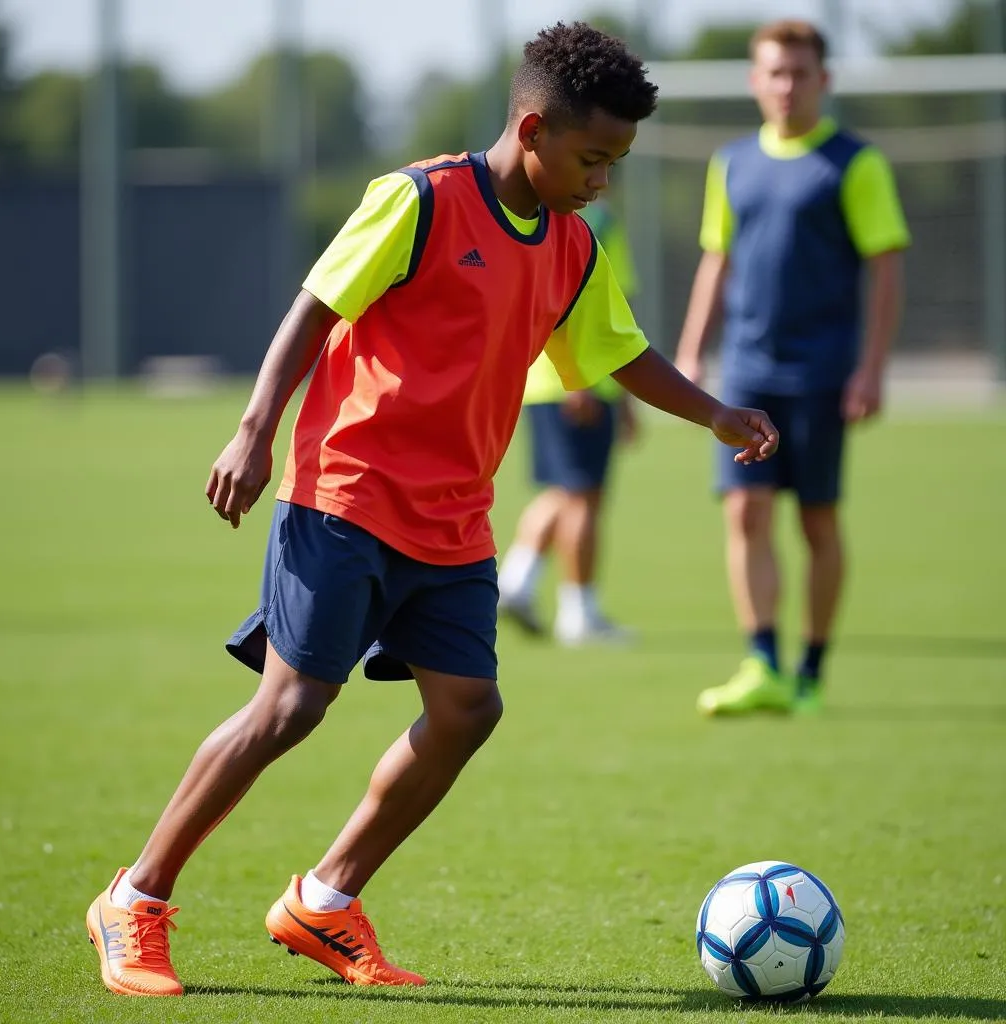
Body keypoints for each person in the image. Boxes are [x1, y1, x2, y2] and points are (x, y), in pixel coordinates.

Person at [85, 21, 779, 998]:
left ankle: (324, 902)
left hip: (454, 520)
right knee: (290, 707)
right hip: (346, 494)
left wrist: (711, 411)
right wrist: (253, 430)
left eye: (617, 162)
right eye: (592, 158)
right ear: (531, 129)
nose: (602, 180)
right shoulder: (417, 200)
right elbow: (315, 307)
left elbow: (618, 352)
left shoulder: (572, 246)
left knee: (466, 708)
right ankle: (135, 898)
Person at [673, 19, 910, 717]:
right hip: (748, 369)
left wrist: (871, 368)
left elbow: (887, 268)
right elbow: (716, 260)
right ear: (754, 81)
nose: (786, 85)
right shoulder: (731, 162)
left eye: (799, 73)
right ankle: (762, 662)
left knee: (816, 524)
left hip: (823, 372)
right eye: (774, 72)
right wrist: (691, 351)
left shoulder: (855, 163)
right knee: (745, 512)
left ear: (823, 81)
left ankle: (810, 671)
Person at [497, 200, 640, 645]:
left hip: (545, 381)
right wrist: (583, 382)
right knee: (582, 497)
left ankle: (518, 583)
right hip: (578, 381)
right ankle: (577, 612)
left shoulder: (533, 216)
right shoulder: (593, 223)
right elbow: (595, 306)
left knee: (567, 492)